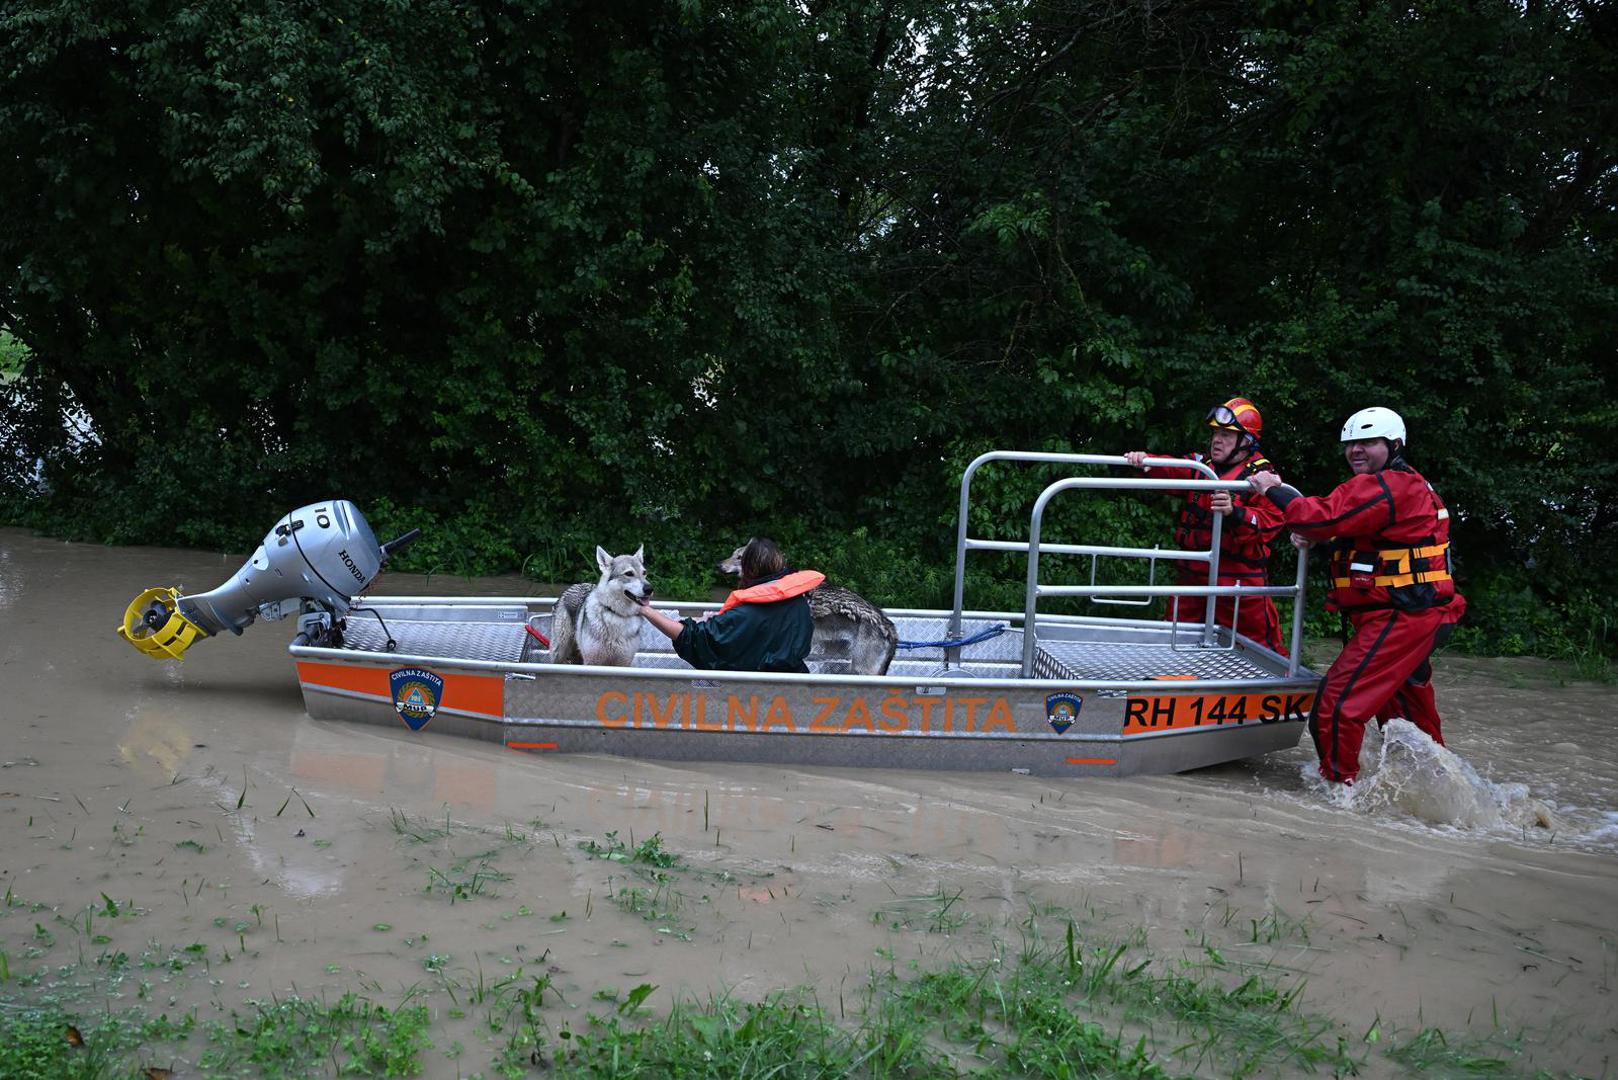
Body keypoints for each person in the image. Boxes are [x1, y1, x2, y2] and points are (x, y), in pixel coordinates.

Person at [1249, 406, 1465, 785]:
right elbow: (1359, 540)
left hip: (1403, 617)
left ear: (1394, 445)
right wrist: (1319, 539)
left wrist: (1273, 489)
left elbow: (1319, 516)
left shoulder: (1392, 485)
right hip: (1412, 613)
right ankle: (1440, 788)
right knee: (1405, 720)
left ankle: (1339, 793)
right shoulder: (1400, 487)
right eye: (1351, 444)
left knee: (1335, 706)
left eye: (1368, 442)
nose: (1356, 451)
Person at [1124, 396, 1287, 654]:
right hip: (1193, 577)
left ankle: (1274, 690)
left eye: (1226, 434)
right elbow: (1172, 471)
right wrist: (1145, 462)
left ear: (1247, 441)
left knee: (1259, 650)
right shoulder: (1200, 466)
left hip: (1238, 583)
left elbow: (1272, 521)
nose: (1217, 440)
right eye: (1215, 433)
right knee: (1175, 641)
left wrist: (1235, 513)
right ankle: (1172, 688)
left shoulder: (1262, 477)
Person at [637, 537, 822, 673]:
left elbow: (692, 638)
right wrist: (721, 621)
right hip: (796, 687)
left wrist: (645, 610)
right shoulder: (800, 603)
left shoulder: (745, 615)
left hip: (753, 696)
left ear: (749, 569)